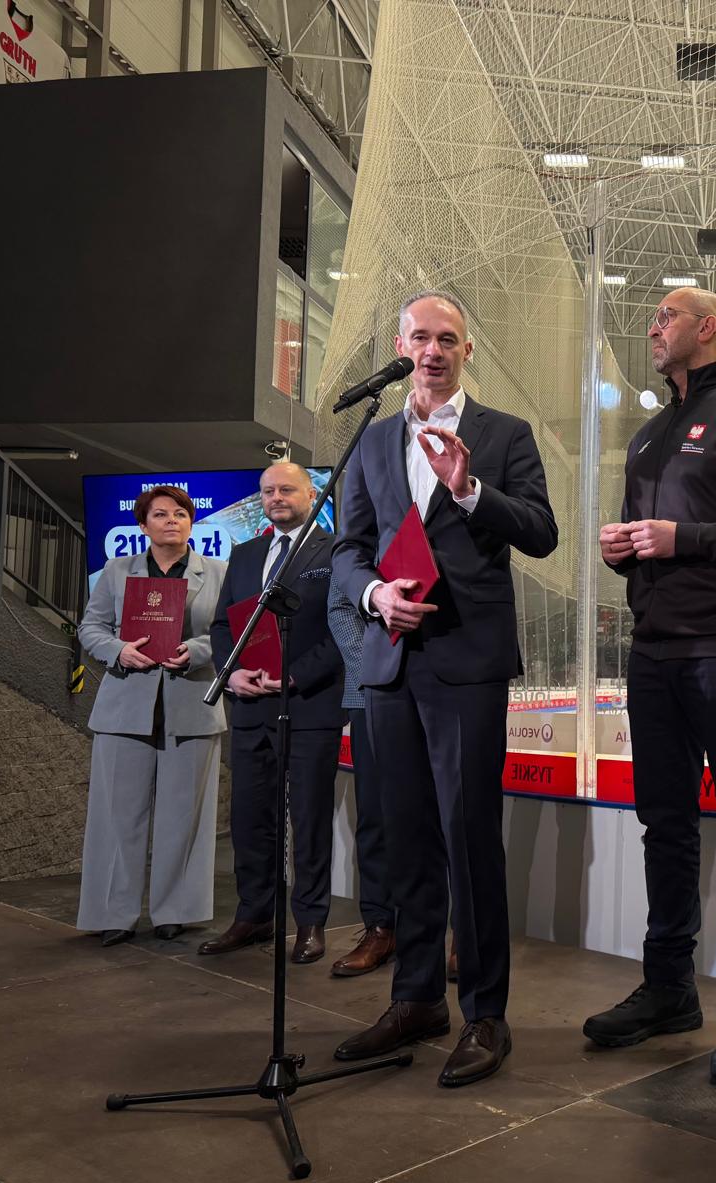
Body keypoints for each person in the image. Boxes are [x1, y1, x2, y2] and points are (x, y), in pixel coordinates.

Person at [330, 290, 558, 1088]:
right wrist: (373, 595)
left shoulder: (504, 434)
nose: (432, 350)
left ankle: (486, 1014)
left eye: (447, 338)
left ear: (467, 350)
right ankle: (418, 997)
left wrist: (469, 492)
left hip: (467, 663)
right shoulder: (372, 440)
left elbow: (541, 531)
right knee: (405, 837)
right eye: (420, 337)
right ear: (401, 346)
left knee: (468, 838)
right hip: (392, 660)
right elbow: (350, 548)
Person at [585, 286, 716, 1084]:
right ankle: (669, 987)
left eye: (666, 316)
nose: (653, 326)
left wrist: (687, 537)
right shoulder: (648, 434)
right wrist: (621, 550)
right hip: (653, 650)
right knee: (665, 825)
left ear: (708, 328)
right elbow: (648, 539)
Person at [202, 463, 345, 964]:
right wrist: (231, 673)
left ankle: (310, 922)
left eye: (286, 489)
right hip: (249, 706)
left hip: (309, 705)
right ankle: (255, 915)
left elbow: (343, 628)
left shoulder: (339, 550)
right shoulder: (244, 554)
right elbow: (223, 626)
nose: (276, 497)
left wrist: (295, 677)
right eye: (267, 491)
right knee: (249, 819)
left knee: (308, 821)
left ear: (311, 495)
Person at [75, 486, 228, 946]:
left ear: (191, 523)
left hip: (192, 704)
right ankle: (112, 914)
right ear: (143, 525)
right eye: (160, 514)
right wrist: (119, 650)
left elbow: (230, 631)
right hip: (125, 707)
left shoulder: (219, 572)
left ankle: (175, 911)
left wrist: (196, 650)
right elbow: (90, 628)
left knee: (185, 818)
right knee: (116, 818)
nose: (171, 521)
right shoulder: (116, 571)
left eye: (180, 513)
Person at [326, 574, 397, 975]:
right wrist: (375, 664)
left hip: (439, 685)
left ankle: (462, 932)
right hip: (369, 690)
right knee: (374, 817)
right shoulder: (357, 539)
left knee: (449, 814)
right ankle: (380, 926)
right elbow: (339, 607)